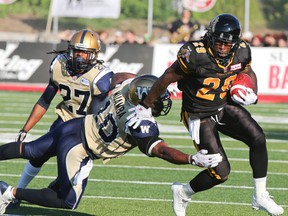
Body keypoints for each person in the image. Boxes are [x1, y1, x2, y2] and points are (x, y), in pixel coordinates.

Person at [127, 14, 284, 216]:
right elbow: (167, 77)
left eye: (227, 45)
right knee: (221, 173)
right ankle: (183, 192)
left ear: (235, 44)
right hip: (198, 115)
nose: (222, 48)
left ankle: (260, 195)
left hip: (224, 105)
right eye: (218, 42)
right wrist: (144, 105)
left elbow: (248, 71)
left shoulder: (243, 50)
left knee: (258, 139)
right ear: (210, 37)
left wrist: (252, 91)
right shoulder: (195, 54)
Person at [0, 75, 223, 214]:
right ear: (147, 99)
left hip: (75, 125)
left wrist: (154, 84)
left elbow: (121, 77)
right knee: (67, 201)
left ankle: (55, 182)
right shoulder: (139, 122)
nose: (163, 99)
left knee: (29, 149)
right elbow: (161, 150)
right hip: (80, 148)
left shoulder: (127, 89)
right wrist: (191, 159)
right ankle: (10, 192)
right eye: (158, 96)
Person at [10, 29, 114, 208]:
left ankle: (52, 188)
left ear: (95, 55)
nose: (80, 57)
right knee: (37, 156)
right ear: (70, 50)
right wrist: (25, 129)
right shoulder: (60, 66)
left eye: (85, 53)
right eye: (77, 52)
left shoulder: (100, 76)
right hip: (64, 121)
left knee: (69, 182)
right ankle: (16, 193)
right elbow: (44, 101)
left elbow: (96, 115)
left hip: (83, 130)